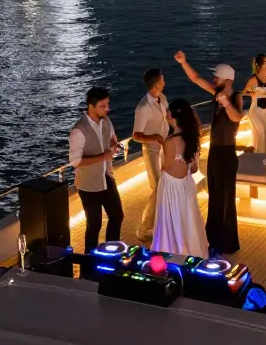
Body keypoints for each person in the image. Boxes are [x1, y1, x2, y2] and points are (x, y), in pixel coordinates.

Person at [174, 50, 244, 255]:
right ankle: (212, 237)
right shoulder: (217, 93)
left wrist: (226, 102)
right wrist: (184, 62)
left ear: (228, 80)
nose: (214, 79)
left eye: (217, 77)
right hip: (214, 152)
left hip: (227, 153)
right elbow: (196, 79)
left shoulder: (236, 96)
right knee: (214, 195)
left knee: (227, 198)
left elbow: (238, 117)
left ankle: (228, 242)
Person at [151, 99, 209, 257]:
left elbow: (165, 166)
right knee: (188, 217)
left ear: (172, 116)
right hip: (187, 184)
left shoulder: (169, 142)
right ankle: (191, 249)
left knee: (171, 218)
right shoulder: (193, 138)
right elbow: (194, 168)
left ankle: (172, 251)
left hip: (171, 185)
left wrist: (162, 145)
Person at [68, 86, 123, 252]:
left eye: (107, 105)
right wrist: (103, 156)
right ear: (91, 106)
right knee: (94, 224)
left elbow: (113, 139)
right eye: (103, 106)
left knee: (117, 216)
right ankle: (89, 261)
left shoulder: (106, 121)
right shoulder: (79, 130)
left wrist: (115, 145)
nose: (107, 109)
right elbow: (75, 162)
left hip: (106, 176)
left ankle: (111, 252)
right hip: (88, 183)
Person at [131, 68, 170, 241]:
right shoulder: (143, 107)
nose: (165, 83)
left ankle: (158, 224)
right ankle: (144, 228)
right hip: (152, 151)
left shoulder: (163, 99)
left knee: (164, 187)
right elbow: (136, 135)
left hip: (166, 148)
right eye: (162, 80)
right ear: (156, 83)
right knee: (158, 187)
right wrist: (153, 137)